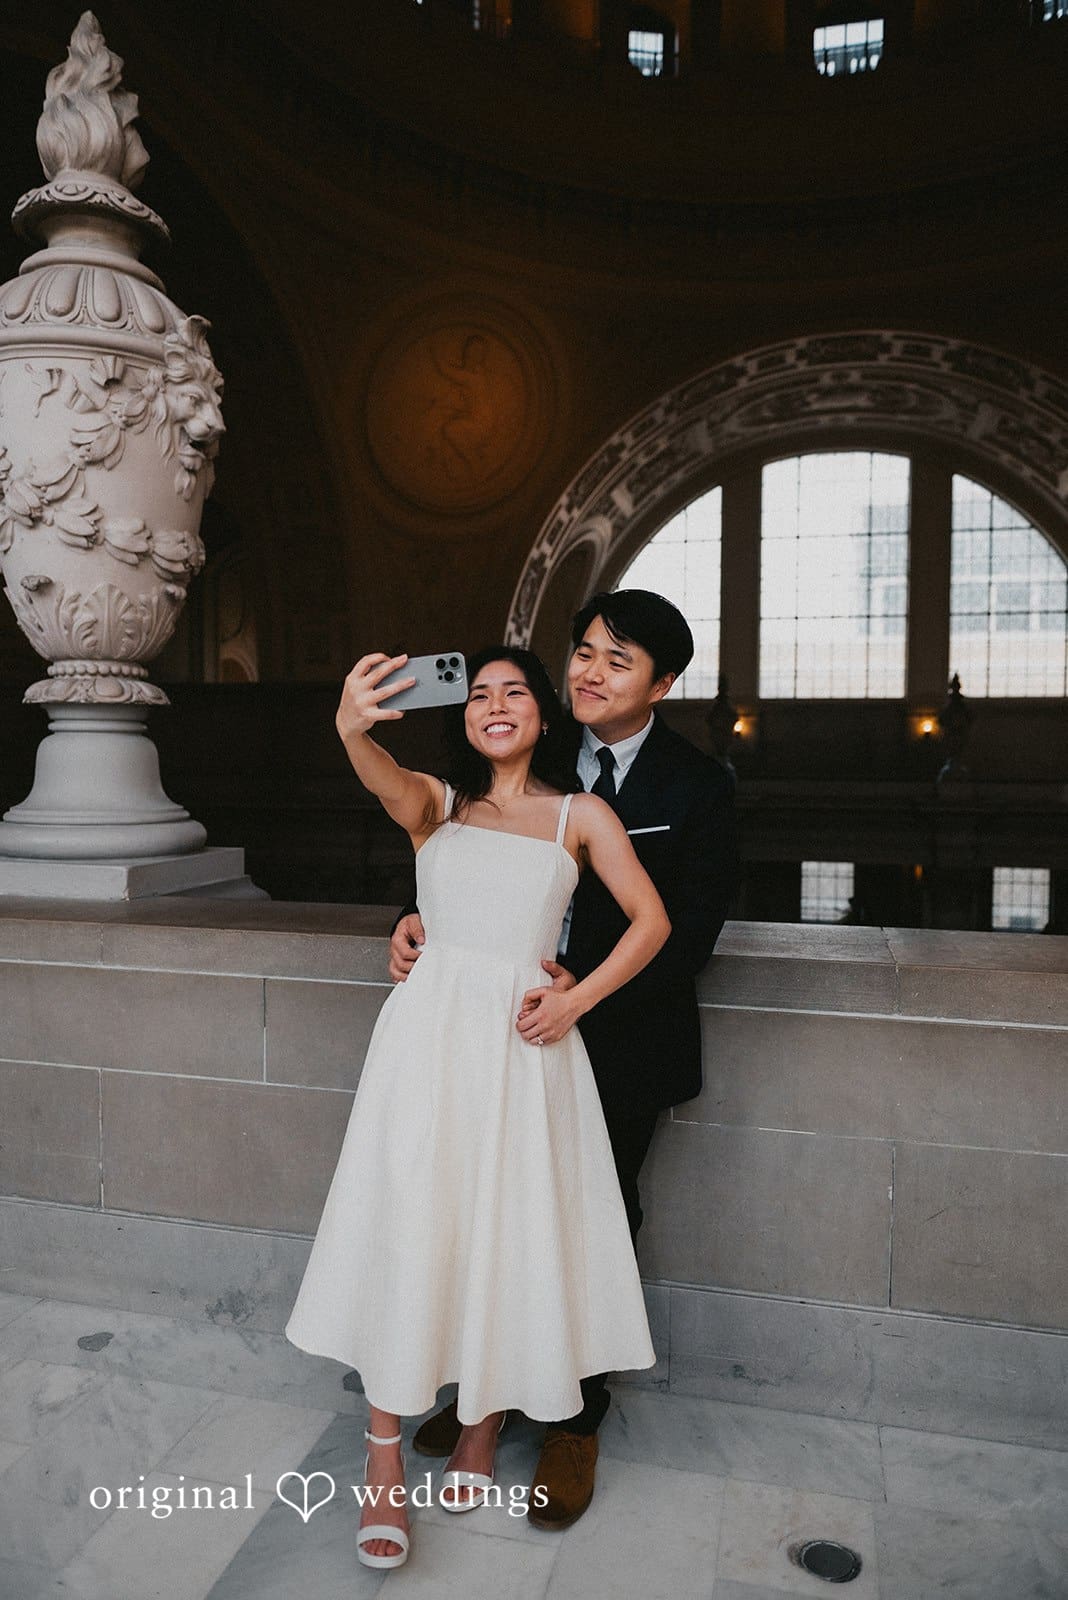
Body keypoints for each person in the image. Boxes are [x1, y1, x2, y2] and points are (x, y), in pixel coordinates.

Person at [285, 644, 670, 1570]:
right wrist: (351, 727)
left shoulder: (582, 814)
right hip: (425, 1043)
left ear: (544, 714)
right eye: (480, 694)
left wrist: (576, 1001)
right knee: (407, 1220)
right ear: (464, 715)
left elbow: (653, 922)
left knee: (506, 1225)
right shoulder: (439, 804)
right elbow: (382, 778)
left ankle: (480, 1425)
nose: (496, 705)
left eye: (516, 693)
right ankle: (383, 1456)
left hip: (524, 1049)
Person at [392, 590, 738, 1529]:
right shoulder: (530, 750)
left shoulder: (698, 786)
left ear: (662, 684)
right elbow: (462, 851)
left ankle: (574, 1421)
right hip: (497, 1036)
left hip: (619, 1041)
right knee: (486, 1209)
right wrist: (414, 920)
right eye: (584, 651)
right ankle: (489, 1392)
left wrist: (578, 997)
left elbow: (688, 932)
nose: (591, 671)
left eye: (619, 660)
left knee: (587, 1217)